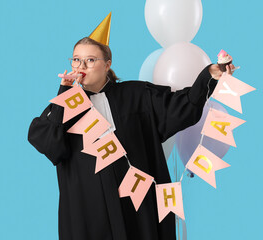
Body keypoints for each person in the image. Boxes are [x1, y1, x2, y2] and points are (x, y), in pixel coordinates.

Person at [28, 14, 234, 240]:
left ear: (107, 65)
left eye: (90, 60)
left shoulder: (137, 95)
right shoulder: (64, 107)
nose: (81, 67)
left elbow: (181, 106)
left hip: (138, 210)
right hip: (90, 216)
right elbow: (51, 146)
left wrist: (210, 75)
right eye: (76, 60)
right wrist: (63, 95)